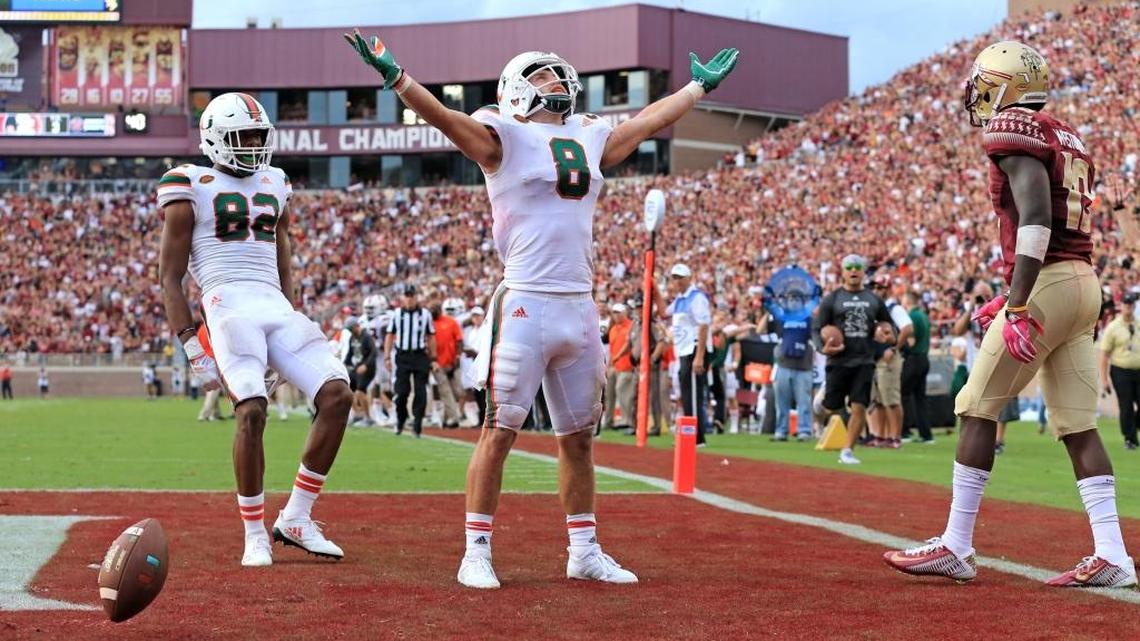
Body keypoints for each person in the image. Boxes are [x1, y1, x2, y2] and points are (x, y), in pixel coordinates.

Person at [345, 28, 737, 589]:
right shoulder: (501, 135)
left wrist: (696, 89)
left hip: (579, 304)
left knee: (579, 437)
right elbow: (444, 119)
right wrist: (398, 77)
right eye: (543, 75)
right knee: (499, 428)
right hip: (525, 300)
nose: (559, 80)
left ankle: (584, 548)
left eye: (558, 73)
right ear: (516, 91)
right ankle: (475, 549)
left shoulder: (589, 133)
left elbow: (643, 124)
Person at [884, 41, 1136, 587]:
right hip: (1082, 283)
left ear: (1008, 85)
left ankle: (956, 544)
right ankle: (1113, 553)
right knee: (1078, 425)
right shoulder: (1065, 133)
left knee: (977, 406)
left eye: (985, 81)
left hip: (1047, 280)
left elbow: (1038, 218)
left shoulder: (1013, 130)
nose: (977, 92)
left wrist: (1019, 300)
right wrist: (1012, 294)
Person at [158, 92, 354, 568]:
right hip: (227, 307)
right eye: (241, 137)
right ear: (214, 139)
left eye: (257, 136)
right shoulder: (187, 182)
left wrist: (290, 306)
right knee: (251, 412)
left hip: (273, 304)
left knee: (338, 395)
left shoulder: (276, 180)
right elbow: (170, 275)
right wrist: (189, 340)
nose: (251, 145)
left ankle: (296, 518)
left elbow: (281, 245)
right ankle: (253, 534)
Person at [816, 254, 893, 464]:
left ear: (863, 272)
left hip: (864, 361)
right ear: (842, 271)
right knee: (831, 406)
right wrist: (823, 348)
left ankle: (847, 451)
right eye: (849, 267)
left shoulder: (873, 299)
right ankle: (820, 403)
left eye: (857, 267)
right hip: (838, 360)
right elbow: (817, 328)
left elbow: (888, 325)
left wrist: (884, 335)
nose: (853, 271)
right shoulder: (831, 299)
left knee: (859, 406)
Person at [654, 263, 713, 445]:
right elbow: (664, 312)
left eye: (680, 277)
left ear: (689, 278)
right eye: (674, 278)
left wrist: (700, 356)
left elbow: (703, 326)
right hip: (684, 350)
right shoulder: (680, 299)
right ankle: (690, 434)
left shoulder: (696, 298)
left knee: (693, 394)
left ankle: (697, 437)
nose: (677, 281)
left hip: (694, 349)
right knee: (686, 394)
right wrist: (655, 290)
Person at [383, 285, 436, 437]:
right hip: (403, 356)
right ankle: (401, 419)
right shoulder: (396, 314)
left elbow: (431, 336)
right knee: (401, 392)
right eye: (407, 295)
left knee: (421, 391)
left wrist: (433, 358)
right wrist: (387, 357)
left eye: (412, 295)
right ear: (403, 297)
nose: (409, 298)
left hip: (420, 356)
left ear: (416, 297)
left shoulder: (425, 314)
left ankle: (417, 424)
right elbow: (389, 335)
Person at [1100, 291, 1139, 450]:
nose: (1128, 307)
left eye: (1131, 305)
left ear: (1134, 306)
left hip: (1138, 370)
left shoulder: (1138, 324)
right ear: (1121, 306)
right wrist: (1104, 379)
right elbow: (1104, 355)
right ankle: (1129, 438)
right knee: (1126, 404)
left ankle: (1133, 428)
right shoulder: (1113, 327)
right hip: (1120, 370)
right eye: (1126, 304)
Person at [602, 302, 635, 431]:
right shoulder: (613, 329)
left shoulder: (631, 326)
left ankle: (626, 421)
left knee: (623, 392)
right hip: (614, 366)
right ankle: (609, 421)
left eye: (618, 313)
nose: (615, 315)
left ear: (624, 313)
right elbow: (611, 349)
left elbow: (630, 346)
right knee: (609, 394)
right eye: (614, 313)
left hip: (626, 365)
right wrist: (609, 365)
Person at [432, 300, 466, 428]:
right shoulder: (429, 324)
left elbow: (459, 341)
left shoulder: (451, 322)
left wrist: (457, 357)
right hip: (437, 364)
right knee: (445, 391)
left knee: (458, 392)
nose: (432, 312)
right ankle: (454, 418)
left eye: (434, 309)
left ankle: (446, 418)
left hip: (452, 362)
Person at [343, 316, 377, 426]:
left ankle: (368, 418)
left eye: (350, 329)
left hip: (367, 368)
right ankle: (358, 414)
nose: (349, 331)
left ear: (356, 326)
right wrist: (344, 364)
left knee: (360, 392)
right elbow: (350, 354)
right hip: (356, 368)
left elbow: (373, 353)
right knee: (347, 390)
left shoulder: (366, 337)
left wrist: (366, 365)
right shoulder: (352, 338)